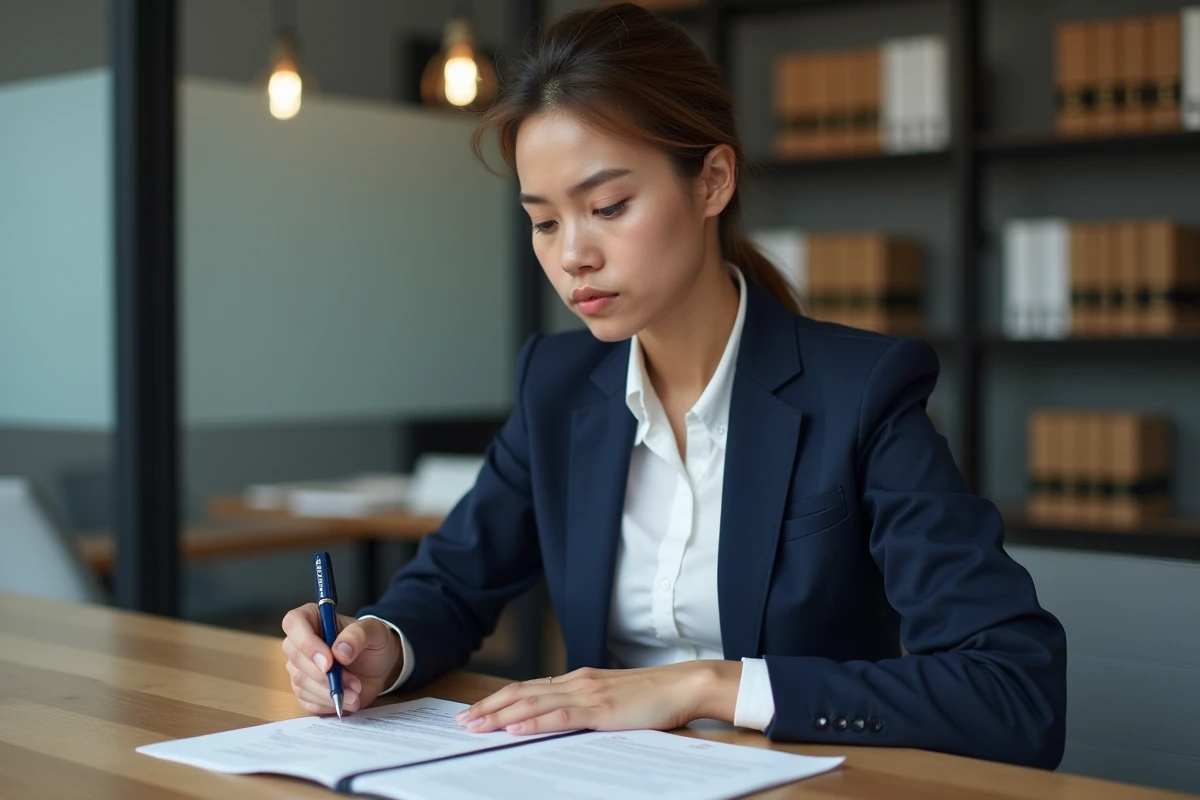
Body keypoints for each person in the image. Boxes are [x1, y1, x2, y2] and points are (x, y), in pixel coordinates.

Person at [280, 2, 1066, 769]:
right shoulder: (559, 385)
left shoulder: (861, 393)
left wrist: (703, 686)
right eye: (545, 222)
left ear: (712, 181)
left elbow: (1016, 692)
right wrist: (380, 644)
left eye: (608, 206)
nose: (573, 255)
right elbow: (453, 583)